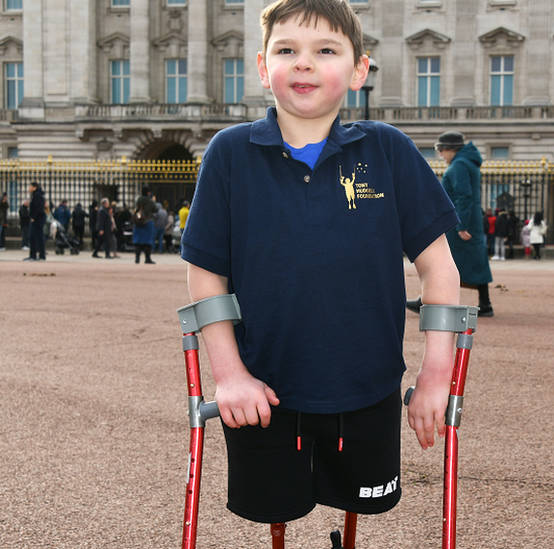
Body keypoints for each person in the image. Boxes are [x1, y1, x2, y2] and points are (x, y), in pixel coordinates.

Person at [182, 0, 461, 532]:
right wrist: (230, 375)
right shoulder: (230, 154)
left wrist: (435, 376)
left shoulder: (388, 150)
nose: (304, 63)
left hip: (368, 383)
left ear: (359, 70)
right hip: (263, 389)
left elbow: (440, 267)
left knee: (360, 508)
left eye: (325, 50)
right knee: (275, 516)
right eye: (287, 50)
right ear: (263, 69)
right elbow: (205, 273)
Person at [408, 130, 493, 317]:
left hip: (460, 222)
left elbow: (464, 196)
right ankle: (484, 303)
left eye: (442, 150)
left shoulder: (460, 165)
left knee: (444, 262)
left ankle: (427, 300)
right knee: (473, 261)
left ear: (450, 149)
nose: (441, 155)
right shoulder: (467, 163)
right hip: (469, 220)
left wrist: (462, 226)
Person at [132, 186, 159, 264]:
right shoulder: (150, 201)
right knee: (147, 241)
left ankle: (137, 258)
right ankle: (147, 258)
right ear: (148, 192)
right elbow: (156, 209)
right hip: (147, 221)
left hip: (139, 222)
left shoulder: (138, 200)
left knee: (138, 241)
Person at [26, 182, 47, 261]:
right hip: (38, 218)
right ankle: (34, 255)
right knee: (34, 238)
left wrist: (33, 217)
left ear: (34, 187)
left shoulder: (37, 195)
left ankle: (39, 255)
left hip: (38, 219)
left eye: (30, 187)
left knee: (36, 238)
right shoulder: (37, 195)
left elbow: (39, 208)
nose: (29, 188)